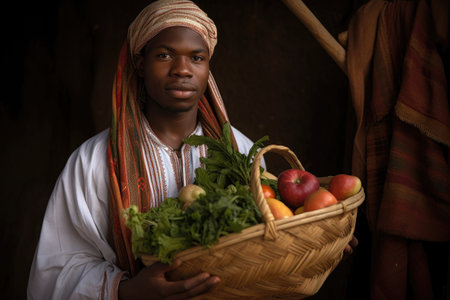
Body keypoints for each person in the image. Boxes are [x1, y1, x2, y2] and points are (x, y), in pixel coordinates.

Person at [27, 0, 263, 299]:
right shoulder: (94, 161)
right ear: (140, 64)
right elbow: (54, 270)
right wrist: (124, 291)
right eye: (164, 55)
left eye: (197, 57)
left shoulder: (242, 153)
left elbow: (271, 236)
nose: (182, 70)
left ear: (207, 68)